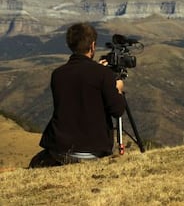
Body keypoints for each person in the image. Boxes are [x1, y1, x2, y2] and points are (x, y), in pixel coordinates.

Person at [29, 23, 126, 168]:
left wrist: (99, 72)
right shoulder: (102, 74)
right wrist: (117, 88)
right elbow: (117, 110)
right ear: (92, 45)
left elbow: (78, 91)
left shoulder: (58, 74)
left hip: (60, 150)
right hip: (94, 151)